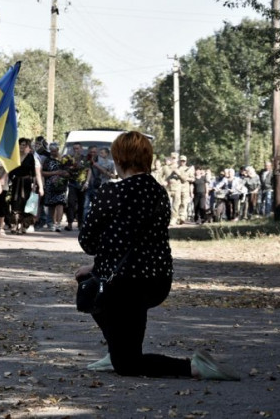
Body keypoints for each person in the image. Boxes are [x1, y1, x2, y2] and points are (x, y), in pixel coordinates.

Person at [75, 131, 239, 381]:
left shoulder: (111, 193)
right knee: (88, 277)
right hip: (157, 281)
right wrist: (98, 264)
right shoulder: (160, 193)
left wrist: (100, 259)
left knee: (127, 364)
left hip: (124, 284)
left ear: (119, 159)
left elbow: (87, 242)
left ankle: (192, 367)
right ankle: (117, 349)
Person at [42, 143, 69, 232]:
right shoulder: (47, 160)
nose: (53, 153)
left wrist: (65, 173)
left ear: (58, 150)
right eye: (52, 151)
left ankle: (58, 223)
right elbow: (43, 172)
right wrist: (55, 173)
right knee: (52, 204)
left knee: (60, 203)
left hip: (61, 184)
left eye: (55, 151)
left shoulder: (63, 159)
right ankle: (52, 223)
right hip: (50, 184)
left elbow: (69, 171)